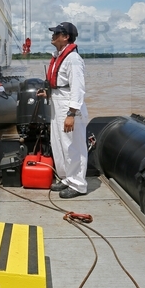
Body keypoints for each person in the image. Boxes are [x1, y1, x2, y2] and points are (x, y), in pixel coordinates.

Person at [36, 22, 89, 198]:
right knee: (59, 144)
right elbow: (60, 83)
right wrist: (48, 93)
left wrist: (72, 113)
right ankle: (67, 178)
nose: (52, 36)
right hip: (57, 101)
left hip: (68, 104)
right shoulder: (60, 57)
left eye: (56, 33)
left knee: (72, 144)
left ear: (65, 37)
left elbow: (77, 88)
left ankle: (78, 184)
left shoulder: (73, 59)